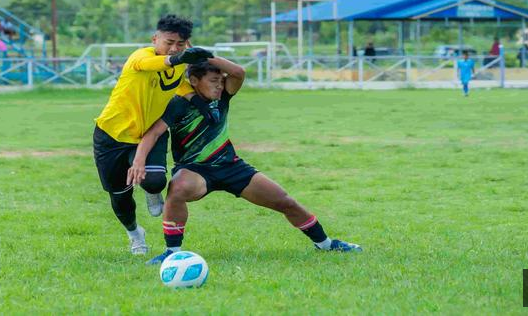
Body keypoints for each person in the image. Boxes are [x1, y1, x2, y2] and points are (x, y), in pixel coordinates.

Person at [135, 56, 361, 265]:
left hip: (231, 166)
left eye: (221, 81)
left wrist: (204, 55)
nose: (219, 86)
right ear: (194, 80)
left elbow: (239, 73)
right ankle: (172, 253)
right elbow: (153, 133)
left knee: (285, 201)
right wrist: (139, 162)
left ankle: (326, 244)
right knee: (177, 189)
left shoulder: (223, 96)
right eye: (214, 81)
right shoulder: (178, 104)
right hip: (195, 169)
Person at [92, 15, 213, 255]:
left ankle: (151, 191)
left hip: (151, 133)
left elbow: (178, 85)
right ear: (155, 38)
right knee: (120, 198)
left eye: (180, 44)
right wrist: (179, 57)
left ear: (187, 43)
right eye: (169, 42)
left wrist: (201, 103)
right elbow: (155, 66)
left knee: (155, 180)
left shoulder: (179, 64)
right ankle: (135, 233)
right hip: (112, 136)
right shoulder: (140, 57)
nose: (174, 48)